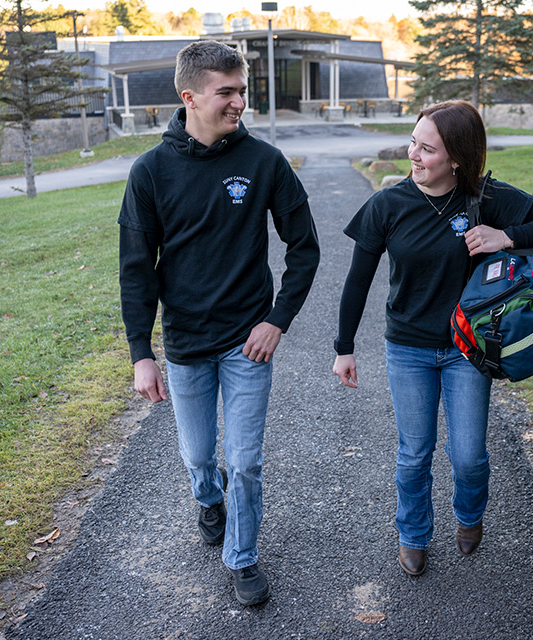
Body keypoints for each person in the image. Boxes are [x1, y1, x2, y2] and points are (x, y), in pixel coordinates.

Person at [331, 101, 533, 577]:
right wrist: (344, 346)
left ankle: (469, 517)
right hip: (407, 348)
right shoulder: (389, 204)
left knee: (468, 456)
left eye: (428, 149)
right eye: (413, 143)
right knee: (414, 453)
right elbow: (357, 281)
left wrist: (506, 236)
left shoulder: (485, 199)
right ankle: (414, 534)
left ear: (458, 158)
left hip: (468, 349)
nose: (414, 156)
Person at [118, 40, 320, 606]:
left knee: (246, 461)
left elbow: (304, 248)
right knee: (200, 457)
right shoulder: (151, 173)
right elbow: (137, 270)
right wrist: (142, 352)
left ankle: (243, 558)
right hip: (185, 345)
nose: (239, 104)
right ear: (189, 97)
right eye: (226, 92)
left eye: (242, 91)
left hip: (246, 342)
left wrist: (277, 320)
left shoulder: (263, 163)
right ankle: (208, 498)